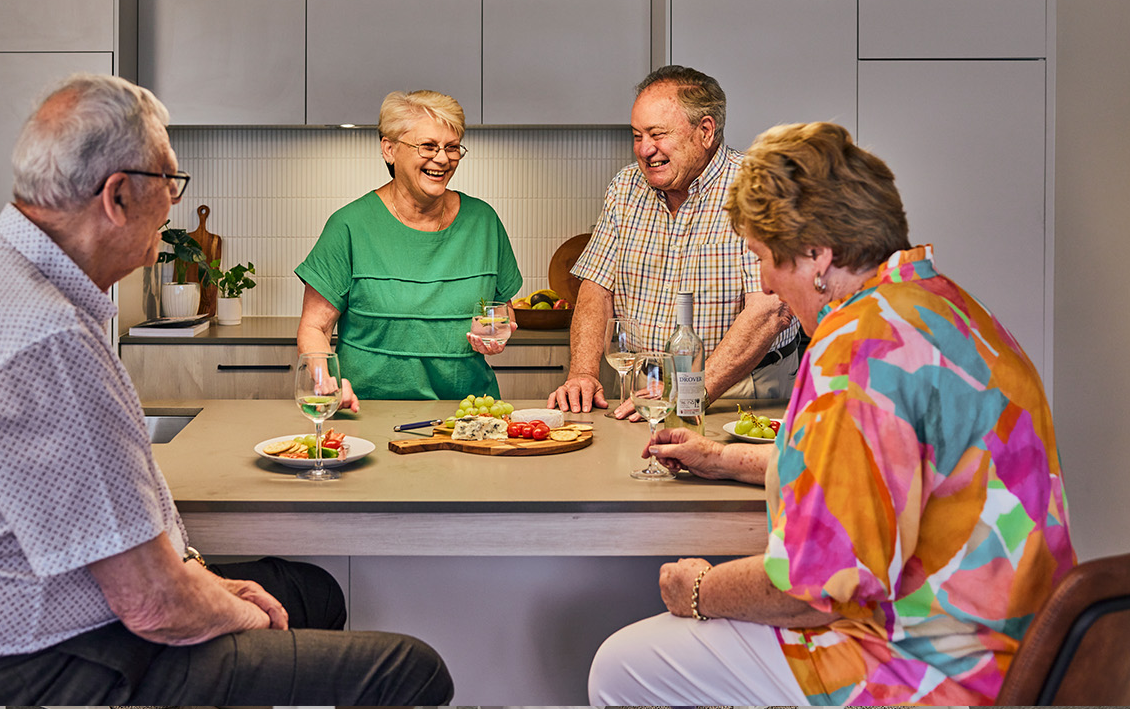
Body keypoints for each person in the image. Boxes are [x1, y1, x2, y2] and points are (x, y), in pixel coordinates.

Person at [0, 73, 452, 706]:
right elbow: (152, 604)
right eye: (170, 182)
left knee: (310, 590)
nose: (174, 202)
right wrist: (246, 621)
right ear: (117, 196)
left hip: (18, 630)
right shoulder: (43, 335)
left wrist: (200, 575)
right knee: (407, 669)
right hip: (42, 667)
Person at [587, 121, 1075, 706]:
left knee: (624, 666)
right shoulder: (949, 307)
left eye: (765, 258)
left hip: (930, 669)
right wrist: (723, 457)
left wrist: (697, 588)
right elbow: (877, 465)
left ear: (818, 255)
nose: (765, 280)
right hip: (1020, 648)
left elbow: (813, 588)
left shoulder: (858, 349)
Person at [548, 65, 799, 416]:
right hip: (646, 391)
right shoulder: (625, 188)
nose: (644, 150)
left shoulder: (761, 190)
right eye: (637, 135)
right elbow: (596, 289)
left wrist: (688, 394)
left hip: (742, 389)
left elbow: (769, 310)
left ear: (706, 131)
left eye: (657, 134)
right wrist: (583, 374)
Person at [296, 89, 522, 401]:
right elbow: (314, 329)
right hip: (370, 414)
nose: (442, 159)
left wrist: (495, 332)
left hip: (469, 417)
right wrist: (325, 381)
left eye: (452, 148)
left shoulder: (483, 221)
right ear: (389, 149)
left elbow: (501, 309)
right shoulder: (349, 226)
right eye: (428, 146)